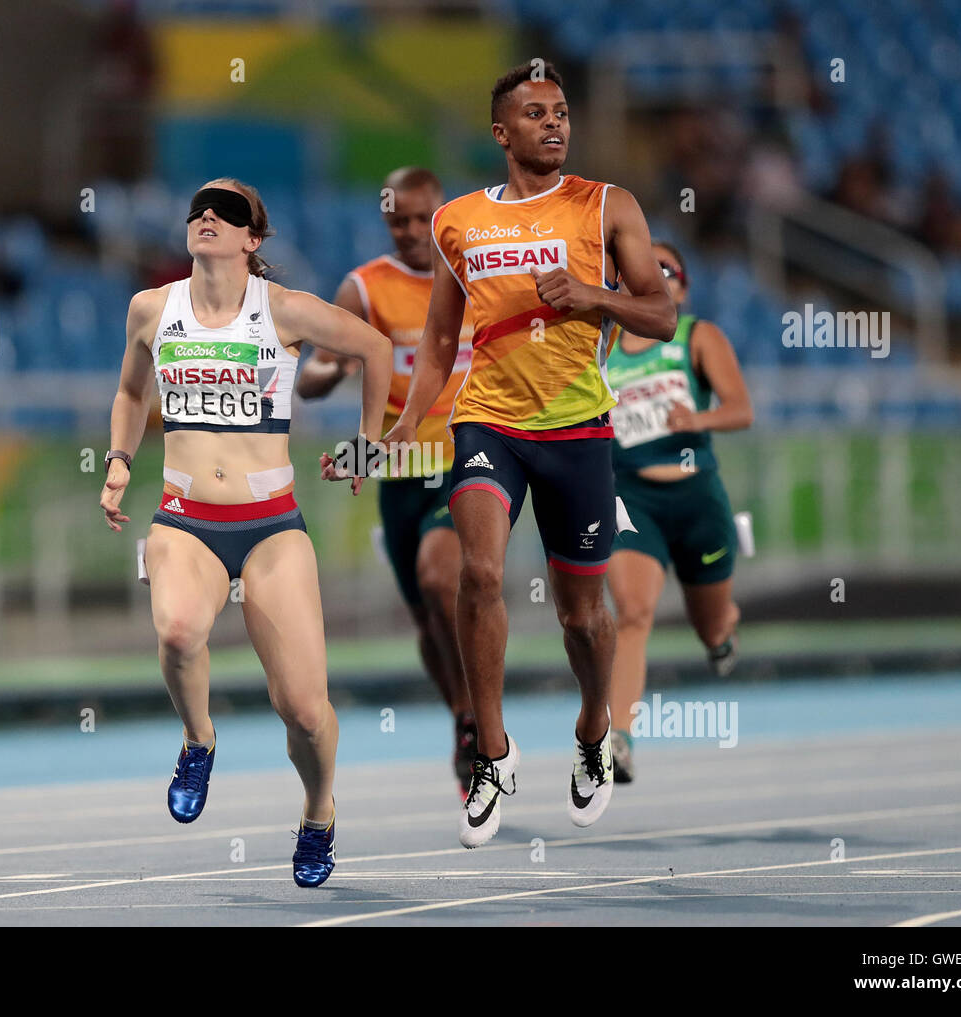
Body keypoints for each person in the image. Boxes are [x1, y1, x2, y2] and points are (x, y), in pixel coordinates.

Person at [379, 62, 676, 847]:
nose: (555, 123)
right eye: (536, 113)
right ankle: (493, 752)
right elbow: (442, 338)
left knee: (583, 614)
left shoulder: (608, 204)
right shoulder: (457, 222)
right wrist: (410, 421)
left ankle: (592, 729)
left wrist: (595, 296)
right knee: (476, 572)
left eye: (563, 112)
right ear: (501, 133)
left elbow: (662, 314)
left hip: (579, 429)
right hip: (489, 422)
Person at [101, 178, 391, 887]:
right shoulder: (151, 309)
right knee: (176, 632)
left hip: (270, 529)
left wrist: (368, 442)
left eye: (227, 213)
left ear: (251, 240)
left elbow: (377, 350)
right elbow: (133, 390)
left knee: (303, 708)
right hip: (185, 519)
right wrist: (118, 462)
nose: (207, 216)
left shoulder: (284, 310)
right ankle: (199, 738)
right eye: (199, 207)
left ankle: (319, 809)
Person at [297, 166, 478, 796]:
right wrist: (333, 365)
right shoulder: (365, 289)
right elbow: (309, 379)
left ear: (443, 214)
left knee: (441, 576)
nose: (408, 231)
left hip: (471, 458)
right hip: (400, 467)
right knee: (427, 619)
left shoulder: (478, 277)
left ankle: (482, 715)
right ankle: (463, 715)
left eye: (421, 218)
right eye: (396, 220)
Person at [604, 242, 754, 783]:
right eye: (637, 267)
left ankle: (722, 633)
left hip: (696, 498)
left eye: (665, 268)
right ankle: (618, 739)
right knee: (633, 613)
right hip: (631, 497)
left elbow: (741, 410)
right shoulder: (604, 346)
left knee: (708, 622)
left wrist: (698, 421)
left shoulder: (698, 337)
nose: (652, 274)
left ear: (683, 288)